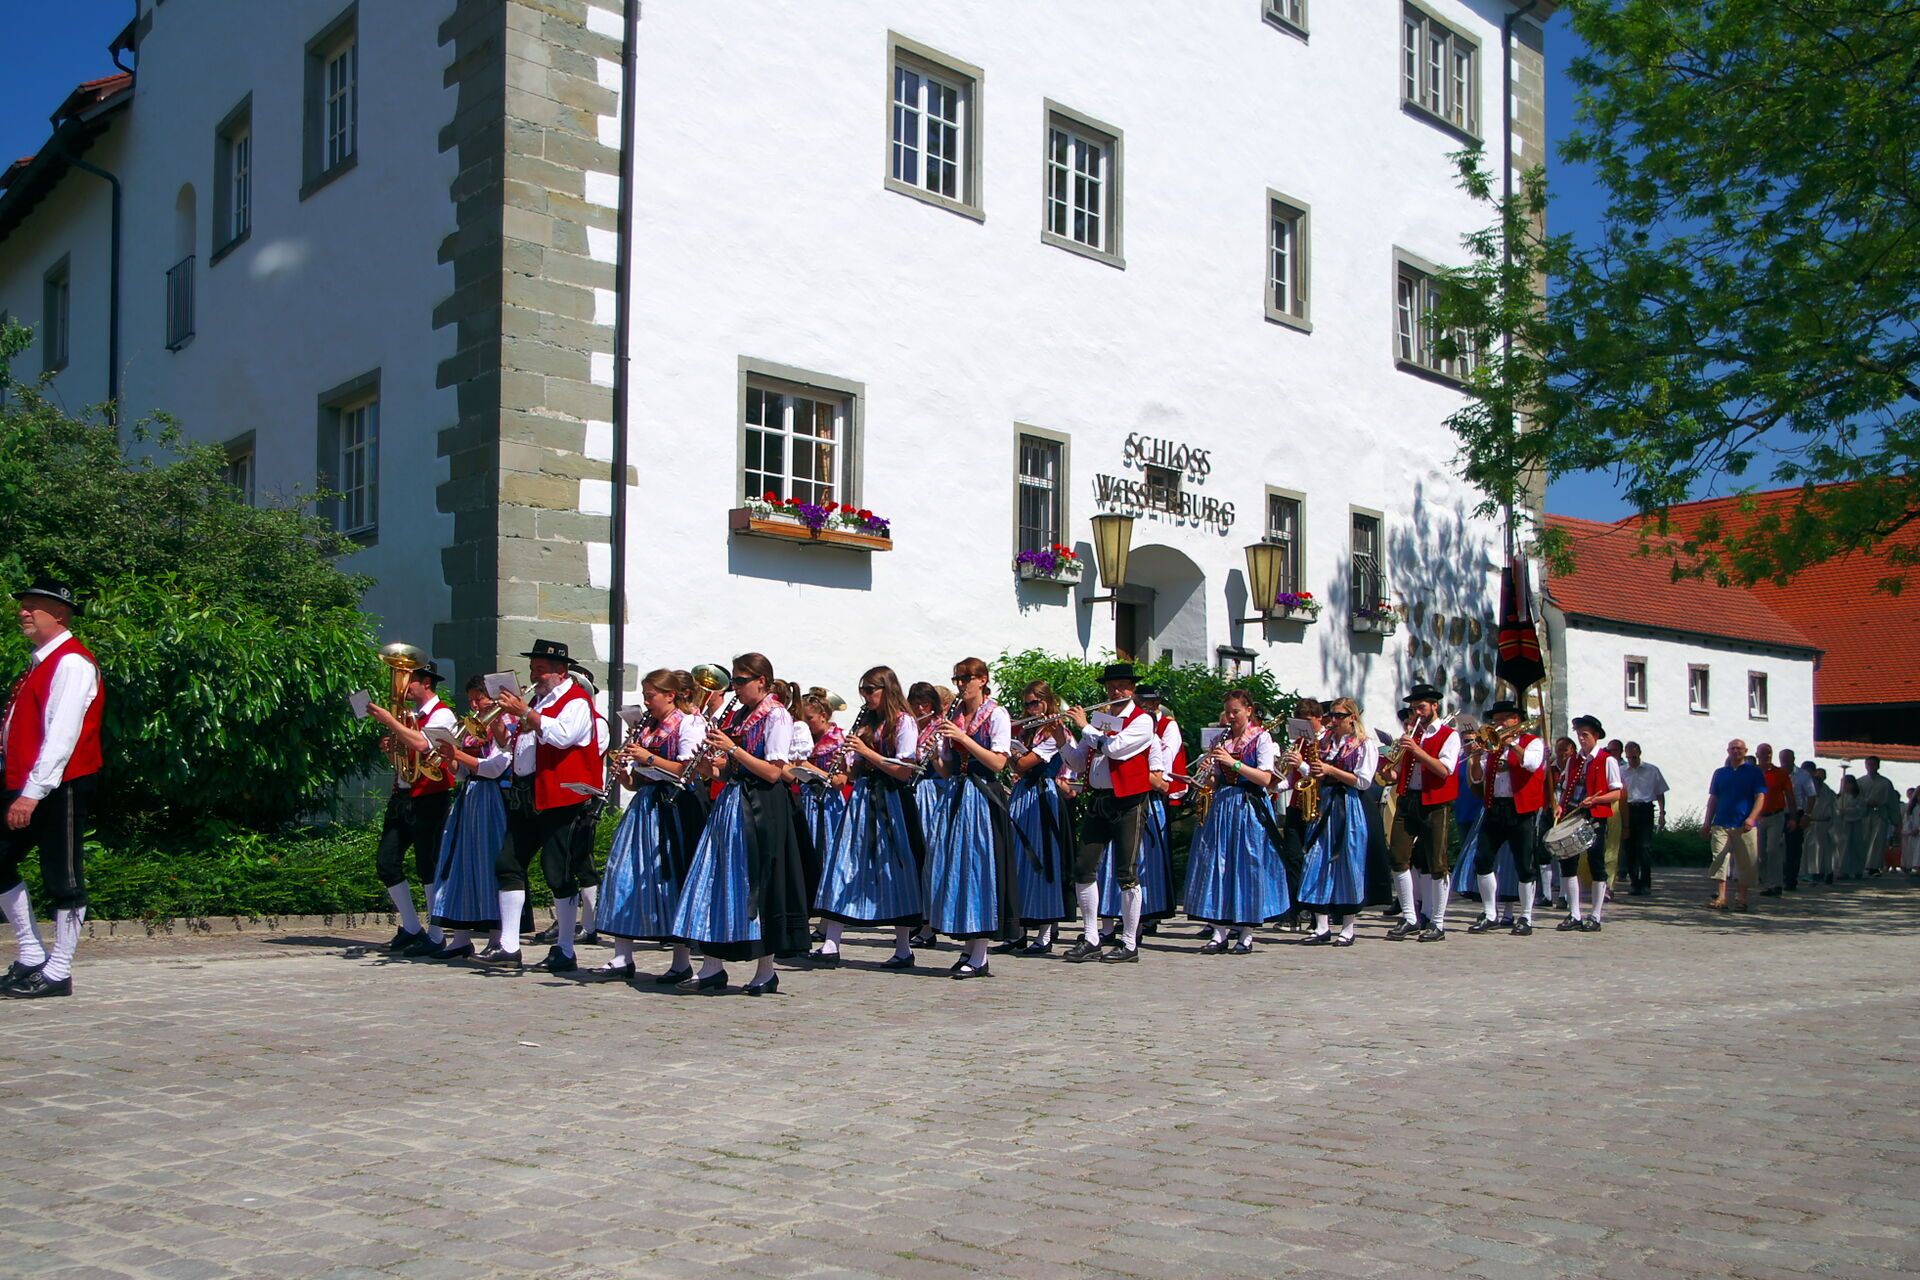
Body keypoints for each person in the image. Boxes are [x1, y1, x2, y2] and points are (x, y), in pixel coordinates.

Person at [670, 652, 811, 994]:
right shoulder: (740, 714)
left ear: (761, 681)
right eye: (733, 680)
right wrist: (707, 763)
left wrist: (732, 750)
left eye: (740, 680)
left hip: (763, 805)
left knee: (760, 881)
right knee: (718, 878)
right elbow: (726, 769)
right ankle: (712, 965)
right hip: (733, 803)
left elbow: (774, 772)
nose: (734, 686)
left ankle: (765, 969)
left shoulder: (777, 715)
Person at [1, 583, 103, 999]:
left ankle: (58, 970)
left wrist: (32, 792)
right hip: (24, 782)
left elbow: (61, 737)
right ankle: (31, 954)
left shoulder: (72, 663)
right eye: (23, 608)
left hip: (59, 785)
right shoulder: (39, 663)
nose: (23, 614)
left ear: (58, 615)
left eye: (32, 608)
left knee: (64, 876)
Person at [486, 639, 605, 972]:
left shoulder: (577, 701)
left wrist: (525, 712)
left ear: (560, 671)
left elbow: (564, 736)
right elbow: (521, 746)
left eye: (539, 669)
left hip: (561, 797)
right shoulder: (538, 701)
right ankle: (509, 947)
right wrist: (501, 727)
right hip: (527, 793)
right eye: (532, 668)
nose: (533, 675)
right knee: (507, 863)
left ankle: (565, 947)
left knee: (559, 873)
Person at [593, 669, 707, 982]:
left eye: (651, 696)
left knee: (672, 878)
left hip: (675, 805)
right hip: (645, 805)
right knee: (622, 874)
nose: (646, 703)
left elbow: (687, 769)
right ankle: (621, 956)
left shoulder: (689, 723)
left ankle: (681, 961)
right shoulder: (650, 726)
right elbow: (637, 780)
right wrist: (624, 772)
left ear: (670, 695)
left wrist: (648, 758)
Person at [811, 666, 924, 970]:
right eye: (863, 690)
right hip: (862, 798)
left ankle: (903, 948)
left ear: (887, 689)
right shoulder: (868, 723)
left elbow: (903, 771)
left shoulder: (904, 722)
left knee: (895, 869)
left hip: (891, 802)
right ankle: (831, 942)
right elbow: (854, 771)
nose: (866, 696)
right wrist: (849, 760)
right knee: (843, 864)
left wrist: (867, 752)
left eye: (871, 689)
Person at [924, 657, 1018, 979]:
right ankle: (969, 947)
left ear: (983, 679)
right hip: (957, 796)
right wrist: (936, 751)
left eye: (966, 679)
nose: (961, 685)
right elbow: (948, 769)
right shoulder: (956, 716)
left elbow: (998, 763)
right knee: (957, 870)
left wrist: (963, 739)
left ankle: (979, 953)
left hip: (982, 797)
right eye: (957, 679)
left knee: (979, 871)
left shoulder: (997, 714)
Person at [1059, 663, 1157, 965]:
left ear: (1132, 689)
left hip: (1128, 801)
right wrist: (1062, 738)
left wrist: (1085, 726)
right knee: (1083, 866)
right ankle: (1091, 938)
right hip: (1099, 799)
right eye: (1112, 687)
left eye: (1123, 686)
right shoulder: (1103, 720)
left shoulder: (1143, 721)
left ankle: (1129, 942)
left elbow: (1116, 750)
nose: (1116, 691)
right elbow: (1078, 763)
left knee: (1126, 873)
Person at [1182, 691, 1289, 953]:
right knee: (1218, 864)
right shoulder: (1222, 738)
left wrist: (1234, 764)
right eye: (1228, 712)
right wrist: (1206, 774)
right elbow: (1215, 780)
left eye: (1235, 712)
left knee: (1247, 864)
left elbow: (1265, 779)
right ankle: (1218, 932)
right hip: (1223, 805)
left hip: (1249, 806)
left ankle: (1247, 933)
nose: (1230, 717)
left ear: (1249, 711)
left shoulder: (1261, 738)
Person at [365, 655, 458, 956]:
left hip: (431, 796)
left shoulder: (443, 715)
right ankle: (410, 926)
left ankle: (436, 931)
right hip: (403, 795)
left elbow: (423, 746)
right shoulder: (412, 716)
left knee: (427, 864)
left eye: (409, 680)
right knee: (386, 861)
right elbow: (406, 764)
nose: (402, 686)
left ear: (426, 682)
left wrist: (391, 723)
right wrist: (392, 751)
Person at [425, 677, 514, 961]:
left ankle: (497, 938)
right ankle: (460, 938)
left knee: (490, 865)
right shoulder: (472, 728)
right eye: (472, 700)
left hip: (493, 799)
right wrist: (450, 759)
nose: (475, 705)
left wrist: (459, 754)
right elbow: (464, 771)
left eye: (480, 699)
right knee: (460, 863)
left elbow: (496, 766)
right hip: (470, 796)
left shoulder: (509, 723)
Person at [1293, 697, 1378, 946]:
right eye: (1331, 715)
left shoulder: (1365, 744)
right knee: (1316, 860)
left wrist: (1331, 771)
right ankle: (1321, 926)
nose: (1333, 720)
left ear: (1352, 717)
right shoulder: (1326, 741)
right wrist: (1303, 767)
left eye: (1339, 716)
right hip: (1325, 802)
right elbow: (1319, 773)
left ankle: (1348, 927)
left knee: (1347, 862)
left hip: (1348, 805)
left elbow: (1363, 781)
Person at [1098, 684, 1180, 939]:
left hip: (1139, 799)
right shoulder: (1117, 728)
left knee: (1136, 862)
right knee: (1108, 862)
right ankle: (1109, 922)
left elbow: (1161, 776)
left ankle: (1140, 921)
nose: (1146, 707)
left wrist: (1131, 771)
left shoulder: (1158, 731)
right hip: (1112, 796)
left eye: (1150, 703)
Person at [1462, 700, 1547, 935]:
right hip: (1494, 807)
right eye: (1496, 720)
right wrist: (1476, 758)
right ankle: (1490, 913)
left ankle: (1526, 917)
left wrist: (1511, 745)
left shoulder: (1533, 743)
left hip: (1521, 809)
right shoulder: (1492, 746)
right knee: (1483, 860)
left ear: (1516, 720)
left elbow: (1531, 764)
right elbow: (1478, 779)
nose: (1499, 724)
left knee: (1524, 865)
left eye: (1504, 720)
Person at [1386, 683, 1461, 941]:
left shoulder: (1449, 734)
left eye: (1421, 707)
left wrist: (1417, 751)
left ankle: (1437, 922)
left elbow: (1445, 770)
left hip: (1435, 802)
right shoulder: (1412, 735)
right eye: (1413, 709)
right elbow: (1403, 771)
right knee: (1398, 856)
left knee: (1437, 863)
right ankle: (1410, 916)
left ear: (1434, 706)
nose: (1416, 713)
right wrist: (1390, 774)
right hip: (1409, 799)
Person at [1004, 681, 1075, 954]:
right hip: (1023, 795)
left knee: (1043, 859)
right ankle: (1017, 932)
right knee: (1018, 860)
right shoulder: (1026, 732)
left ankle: (1045, 934)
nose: (1030, 708)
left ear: (1047, 702)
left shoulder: (1057, 732)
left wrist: (1010, 755)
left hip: (1043, 796)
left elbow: (1025, 764)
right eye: (1026, 704)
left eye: (1035, 703)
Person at [1553, 716, 1623, 931]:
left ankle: (1595, 915)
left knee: (1596, 862)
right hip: (1573, 814)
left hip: (1595, 816)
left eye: (1585, 735)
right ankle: (1574, 913)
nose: (1581, 739)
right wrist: (1559, 806)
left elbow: (1617, 792)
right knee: (1568, 863)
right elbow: (1566, 788)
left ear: (1595, 736)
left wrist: (1595, 800)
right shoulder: (1574, 760)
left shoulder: (1606, 760)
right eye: (1579, 734)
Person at [1703, 739, 1766, 910]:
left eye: (1739, 749)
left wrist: (1752, 817)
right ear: (1728, 751)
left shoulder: (1754, 772)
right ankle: (1721, 897)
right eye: (1732, 748)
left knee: (1746, 862)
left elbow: (1760, 796)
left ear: (1745, 751)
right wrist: (1707, 822)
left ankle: (1742, 898)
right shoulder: (1720, 773)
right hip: (1721, 822)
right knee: (1719, 859)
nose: (1736, 751)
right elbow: (1714, 798)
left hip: (1744, 824)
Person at [1620, 741, 1668, 896]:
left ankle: (1646, 883)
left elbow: (1660, 792)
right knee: (1629, 848)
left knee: (1645, 847)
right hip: (1627, 810)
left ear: (1639, 753)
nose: (1632, 760)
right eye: (1629, 757)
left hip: (1645, 809)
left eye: (1634, 756)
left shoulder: (1652, 770)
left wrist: (1662, 813)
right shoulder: (1622, 771)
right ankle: (1634, 883)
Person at [1754, 744, 1791, 897]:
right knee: (1760, 853)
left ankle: (1776, 884)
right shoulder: (1753, 773)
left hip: (1776, 815)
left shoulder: (1780, 773)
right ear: (1757, 755)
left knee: (1773, 849)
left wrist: (1794, 817)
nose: (1767, 756)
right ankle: (1767, 883)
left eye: (1769, 753)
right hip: (1758, 817)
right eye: (1763, 753)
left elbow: (1789, 795)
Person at [1856, 758, 1900, 877]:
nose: (1871, 766)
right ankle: (1860, 865)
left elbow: (1893, 802)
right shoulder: (1859, 782)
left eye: (1873, 764)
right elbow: (1855, 799)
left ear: (1878, 766)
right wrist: (1866, 802)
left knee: (1877, 842)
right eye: (1869, 764)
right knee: (1863, 840)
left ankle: (1873, 867)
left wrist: (1896, 821)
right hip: (1864, 814)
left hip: (1880, 814)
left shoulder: (1885, 783)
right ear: (1865, 765)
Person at [1805, 769, 1838, 886]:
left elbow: (1834, 812)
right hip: (1812, 826)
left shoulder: (1829, 794)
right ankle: (1814, 874)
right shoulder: (1809, 794)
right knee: (1814, 852)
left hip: (1825, 826)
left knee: (1826, 852)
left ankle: (1828, 873)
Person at [1838, 775, 1867, 879]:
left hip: (1856, 824)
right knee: (1843, 848)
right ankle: (1843, 870)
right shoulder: (1841, 797)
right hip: (1844, 825)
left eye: (1846, 783)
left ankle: (1858, 869)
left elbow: (1861, 810)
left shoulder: (1859, 798)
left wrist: (1846, 811)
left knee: (1856, 847)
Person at [1902, 787, 1920, 876]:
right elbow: (1908, 820)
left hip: (1918, 831)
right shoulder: (1912, 808)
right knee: (1914, 850)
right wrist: (1910, 830)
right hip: (1913, 832)